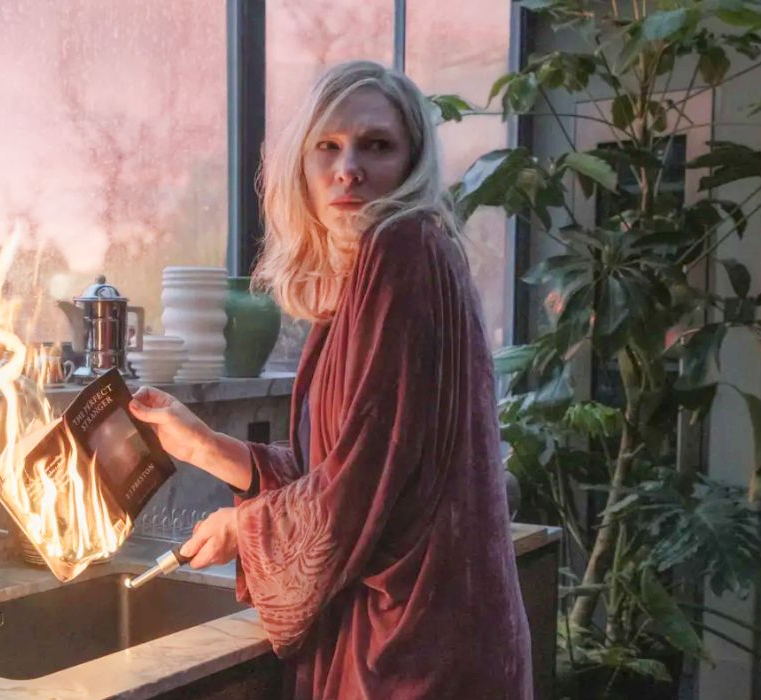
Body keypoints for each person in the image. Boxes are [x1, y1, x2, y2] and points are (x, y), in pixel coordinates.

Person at [129, 61, 532, 699]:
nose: (349, 168)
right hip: (435, 636)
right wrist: (207, 445)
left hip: (411, 654)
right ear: (303, 166)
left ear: (412, 162)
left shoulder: (401, 249)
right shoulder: (380, 270)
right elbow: (354, 463)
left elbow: (362, 484)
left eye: (377, 145)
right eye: (329, 147)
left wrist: (246, 529)